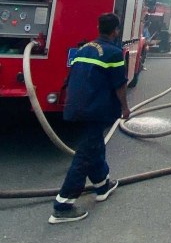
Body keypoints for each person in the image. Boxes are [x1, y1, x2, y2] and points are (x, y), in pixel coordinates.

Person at [50, 13, 130, 224]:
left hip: (76, 106)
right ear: (116, 31)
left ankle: (102, 185)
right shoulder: (114, 53)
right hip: (96, 109)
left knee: (94, 145)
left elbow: (73, 77)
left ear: (98, 27)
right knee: (85, 154)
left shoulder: (83, 49)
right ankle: (63, 205)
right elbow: (119, 85)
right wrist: (125, 108)